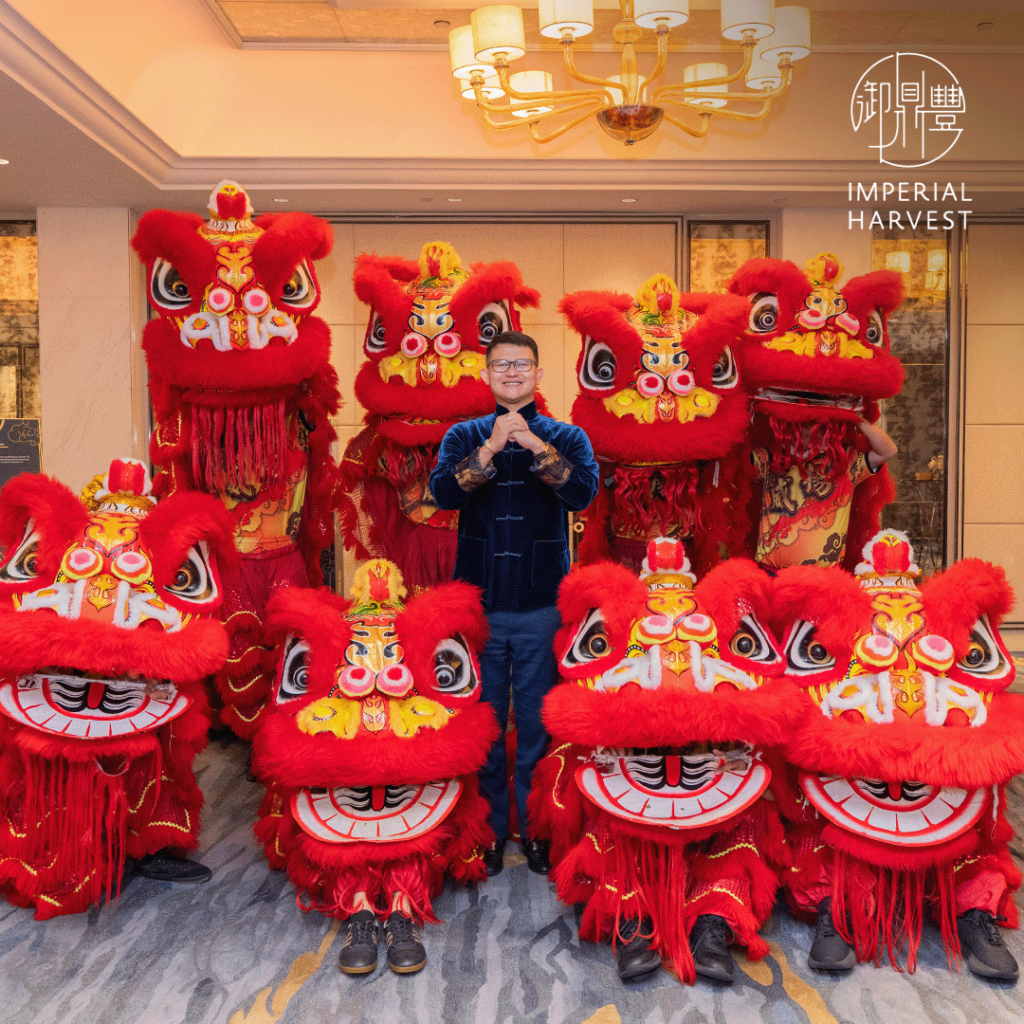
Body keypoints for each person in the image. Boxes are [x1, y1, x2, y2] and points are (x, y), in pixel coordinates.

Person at [429, 331, 599, 876]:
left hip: (540, 602)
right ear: (486, 374)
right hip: (477, 604)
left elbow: (582, 494)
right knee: (482, 726)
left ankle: (536, 829)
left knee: (536, 727)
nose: (510, 373)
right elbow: (442, 494)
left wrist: (531, 445)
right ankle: (487, 832)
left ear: (538, 375)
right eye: (500, 365)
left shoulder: (567, 436)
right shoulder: (462, 435)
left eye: (521, 365)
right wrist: (488, 450)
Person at [752, 416, 898, 570]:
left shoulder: (846, 462)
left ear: (827, 426)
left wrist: (857, 417)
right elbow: (732, 457)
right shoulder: (768, 459)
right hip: (773, 574)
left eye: (814, 421)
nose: (806, 429)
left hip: (826, 578)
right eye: (799, 422)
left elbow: (888, 451)